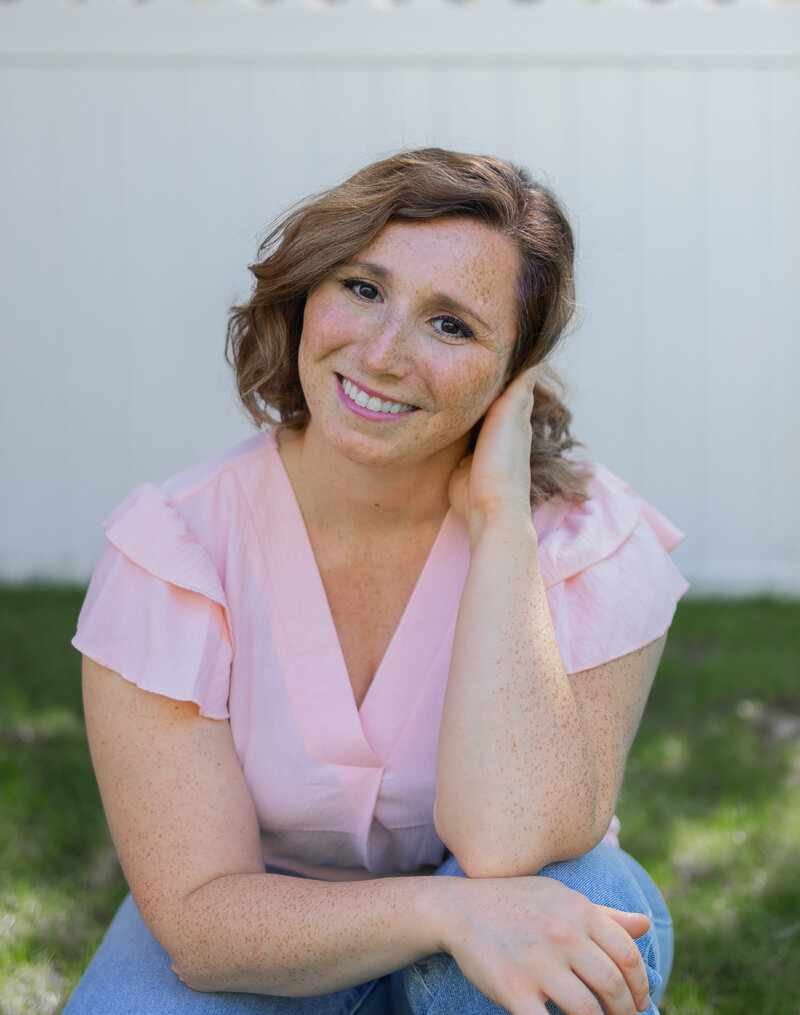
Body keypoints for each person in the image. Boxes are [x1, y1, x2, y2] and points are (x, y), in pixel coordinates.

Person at [66, 147, 689, 1015]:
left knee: (549, 928)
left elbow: (510, 842)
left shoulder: (586, 541)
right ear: (306, 291)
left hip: (517, 893)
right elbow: (203, 921)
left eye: (452, 325)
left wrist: (501, 519)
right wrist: (446, 912)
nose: (383, 352)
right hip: (270, 920)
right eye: (362, 288)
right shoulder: (175, 552)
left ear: (515, 373)